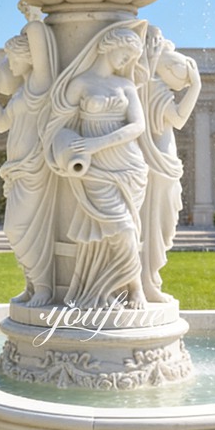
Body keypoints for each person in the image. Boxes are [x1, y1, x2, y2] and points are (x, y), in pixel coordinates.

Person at [44, 21, 149, 309]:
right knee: (122, 228)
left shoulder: (126, 85)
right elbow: (55, 125)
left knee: (129, 228)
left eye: (131, 58)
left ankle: (132, 289)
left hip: (128, 164)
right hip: (92, 167)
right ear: (106, 46)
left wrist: (95, 144)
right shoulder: (79, 84)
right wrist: (65, 151)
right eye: (124, 54)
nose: (127, 62)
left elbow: (138, 126)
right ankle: (122, 288)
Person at [0, 12, 57, 307]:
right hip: (17, 170)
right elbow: (1, 124)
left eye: (12, 59)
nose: (9, 66)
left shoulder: (40, 83)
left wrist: (32, 19)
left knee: (23, 227)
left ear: (28, 58)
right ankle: (31, 284)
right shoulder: (21, 93)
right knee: (17, 229)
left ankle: (43, 287)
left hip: (34, 167)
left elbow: (39, 38)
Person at [138, 26, 201, 302]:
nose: (184, 79)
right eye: (177, 67)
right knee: (154, 226)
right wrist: (196, 86)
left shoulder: (151, 85)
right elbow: (178, 119)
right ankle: (148, 282)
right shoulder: (154, 88)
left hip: (162, 165)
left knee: (158, 225)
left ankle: (148, 280)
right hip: (158, 166)